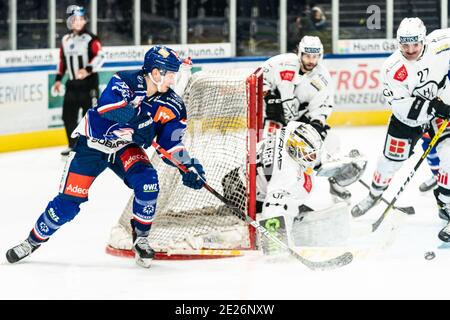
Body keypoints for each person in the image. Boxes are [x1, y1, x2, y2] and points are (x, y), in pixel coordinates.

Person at [6, 46, 206, 268]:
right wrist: (141, 120)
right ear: (156, 73)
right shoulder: (126, 80)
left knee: (148, 183)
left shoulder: (173, 106)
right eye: (170, 73)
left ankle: (141, 238)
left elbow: (171, 145)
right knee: (69, 203)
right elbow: (109, 108)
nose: (173, 79)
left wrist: (187, 165)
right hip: (92, 145)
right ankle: (31, 241)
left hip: (124, 148)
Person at [351, 18, 450, 242]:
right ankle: (374, 194)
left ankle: (446, 205)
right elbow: (402, 107)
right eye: (405, 45)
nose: (410, 50)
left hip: (444, 106)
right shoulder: (392, 68)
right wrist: (434, 106)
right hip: (410, 119)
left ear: (423, 40)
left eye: (415, 44)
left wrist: (441, 105)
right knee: (389, 162)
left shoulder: (443, 43)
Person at [221, 121, 367, 252]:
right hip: (240, 195)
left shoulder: (294, 129)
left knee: (302, 186)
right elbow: (273, 209)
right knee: (297, 198)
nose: (312, 159)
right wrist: (277, 244)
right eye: (309, 157)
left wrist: (339, 164)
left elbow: (313, 154)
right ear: (296, 152)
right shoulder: (286, 173)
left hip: (241, 177)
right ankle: (238, 231)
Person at [261, 36, 348, 200]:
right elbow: (259, 78)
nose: (311, 60)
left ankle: (335, 184)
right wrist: (269, 95)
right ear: (300, 53)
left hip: (300, 124)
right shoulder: (281, 63)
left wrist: (317, 127)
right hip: (274, 119)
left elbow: (321, 108)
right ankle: (263, 191)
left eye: (315, 56)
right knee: (268, 152)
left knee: (331, 142)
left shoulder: (322, 78)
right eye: (308, 56)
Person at [53, 5, 105, 157]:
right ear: (70, 22)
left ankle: (90, 146)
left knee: (89, 116)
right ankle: (73, 145)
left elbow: (101, 57)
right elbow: (62, 61)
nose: (79, 22)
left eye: (81, 19)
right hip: (72, 84)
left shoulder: (91, 39)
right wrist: (58, 80)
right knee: (67, 116)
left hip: (88, 84)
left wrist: (87, 70)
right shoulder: (65, 40)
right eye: (75, 19)